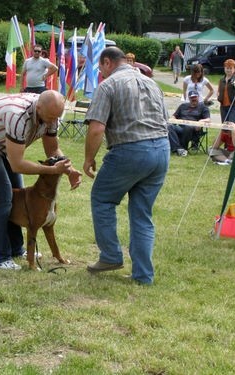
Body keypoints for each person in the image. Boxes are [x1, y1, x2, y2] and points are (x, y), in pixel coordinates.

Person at [0, 90, 82, 270]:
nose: (54, 122)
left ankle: (16, 248)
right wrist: (51, 170)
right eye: (51, 117)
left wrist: (71, 170)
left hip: (6, 144)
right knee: (4, 196)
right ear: (38, 108)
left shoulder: (50, 115)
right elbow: (17, 164)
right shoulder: (17, 115)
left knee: (17, 195)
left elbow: (52, 150)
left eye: (57, 118)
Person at [83, 47, 169, 285]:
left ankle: (110, 255)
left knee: (102, 199)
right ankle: (143, 276)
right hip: (161, 150)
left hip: (130, 149)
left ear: (107, 62)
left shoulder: (108, 86)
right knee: (142, 214)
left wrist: (89, 159)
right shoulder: (152, 84)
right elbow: (165, 121)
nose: (101, 73)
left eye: (100, 68)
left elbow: (97, 128)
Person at [168, 90, 211, 155]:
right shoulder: (183, 106)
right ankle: (177, 148)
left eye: (195, 97)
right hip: (181, 127)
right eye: (192, 97)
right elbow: (174, 116)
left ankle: (183, 148)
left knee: (188, 127)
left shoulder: (203, 107)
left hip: (194, 129)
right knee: (169, 126)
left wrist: (200, 122)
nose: (193, 99)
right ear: (189, 98)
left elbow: (208, 119)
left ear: (198, 97)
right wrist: (172, 119)